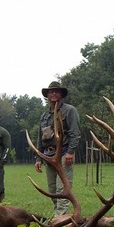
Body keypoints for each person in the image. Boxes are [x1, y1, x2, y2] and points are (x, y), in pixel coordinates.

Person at [34, 81, 81, 217]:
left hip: (63, 153)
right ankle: (59, 215)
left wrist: (70, 152)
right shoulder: (44, 116)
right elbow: (40, 138)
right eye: (50, 91)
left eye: (56, 91)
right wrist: (38, 157)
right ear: (47, 95)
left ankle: (59, 219)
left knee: (63, 189)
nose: (53, 93)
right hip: (48, 155)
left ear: (61, 94)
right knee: (53, 190)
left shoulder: (69, 110)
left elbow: (75, 133)